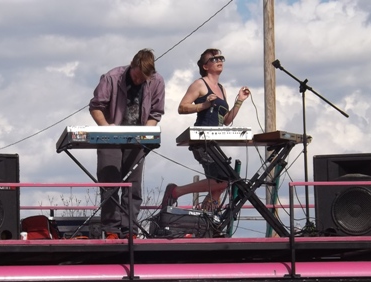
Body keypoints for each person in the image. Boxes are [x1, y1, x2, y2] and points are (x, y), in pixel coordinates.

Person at [161, 48, 250, 212]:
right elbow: (182, 107)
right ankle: (176, 191)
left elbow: (227, 120)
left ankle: (207, 220)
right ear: (205, 66)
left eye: (221, 58)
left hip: (214, 141)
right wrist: (205, 104)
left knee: (219, 184)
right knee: (223, 180)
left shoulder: (222, 88)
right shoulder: (200, 84)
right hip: (202, 140)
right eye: (214, 59)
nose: (219, 60)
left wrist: (239, 101)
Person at [89, 49, 165, 239]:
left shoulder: (157, 81)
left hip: (137, 139)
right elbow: (96, 106)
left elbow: (156, 113)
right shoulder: (111, 77)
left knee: (134, 186)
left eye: (143, 79)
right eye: (136, 76)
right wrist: (107, 129)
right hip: (110, 137)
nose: (139, 81)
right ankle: (112, 229)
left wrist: (146, 133)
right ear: (132, 65)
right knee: (110, 182)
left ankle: (130, 229)